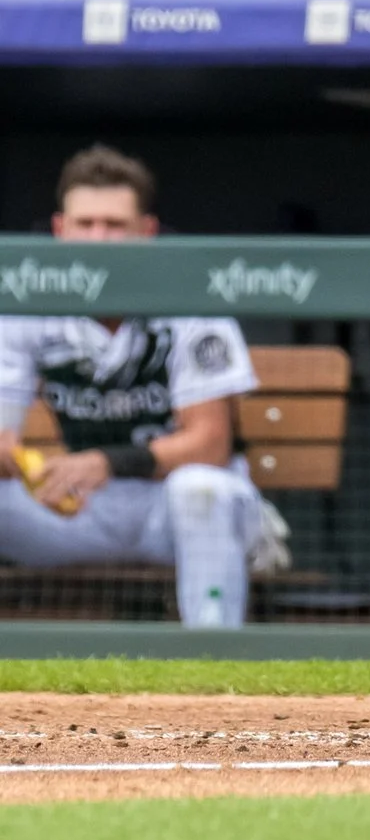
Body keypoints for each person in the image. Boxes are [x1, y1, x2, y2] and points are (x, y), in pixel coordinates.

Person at [0, 146, 264, 630]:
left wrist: (105, 462)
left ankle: (213, 656)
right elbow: (2, 436)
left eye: (114, 225)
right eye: (85, 224)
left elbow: (209, 444)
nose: (98, 239)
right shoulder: (25, 304)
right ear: (59, 230)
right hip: (79, 512)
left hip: (173, 510)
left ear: (147, 230)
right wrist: (25, 466)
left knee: (200, 489)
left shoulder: (190, 299)